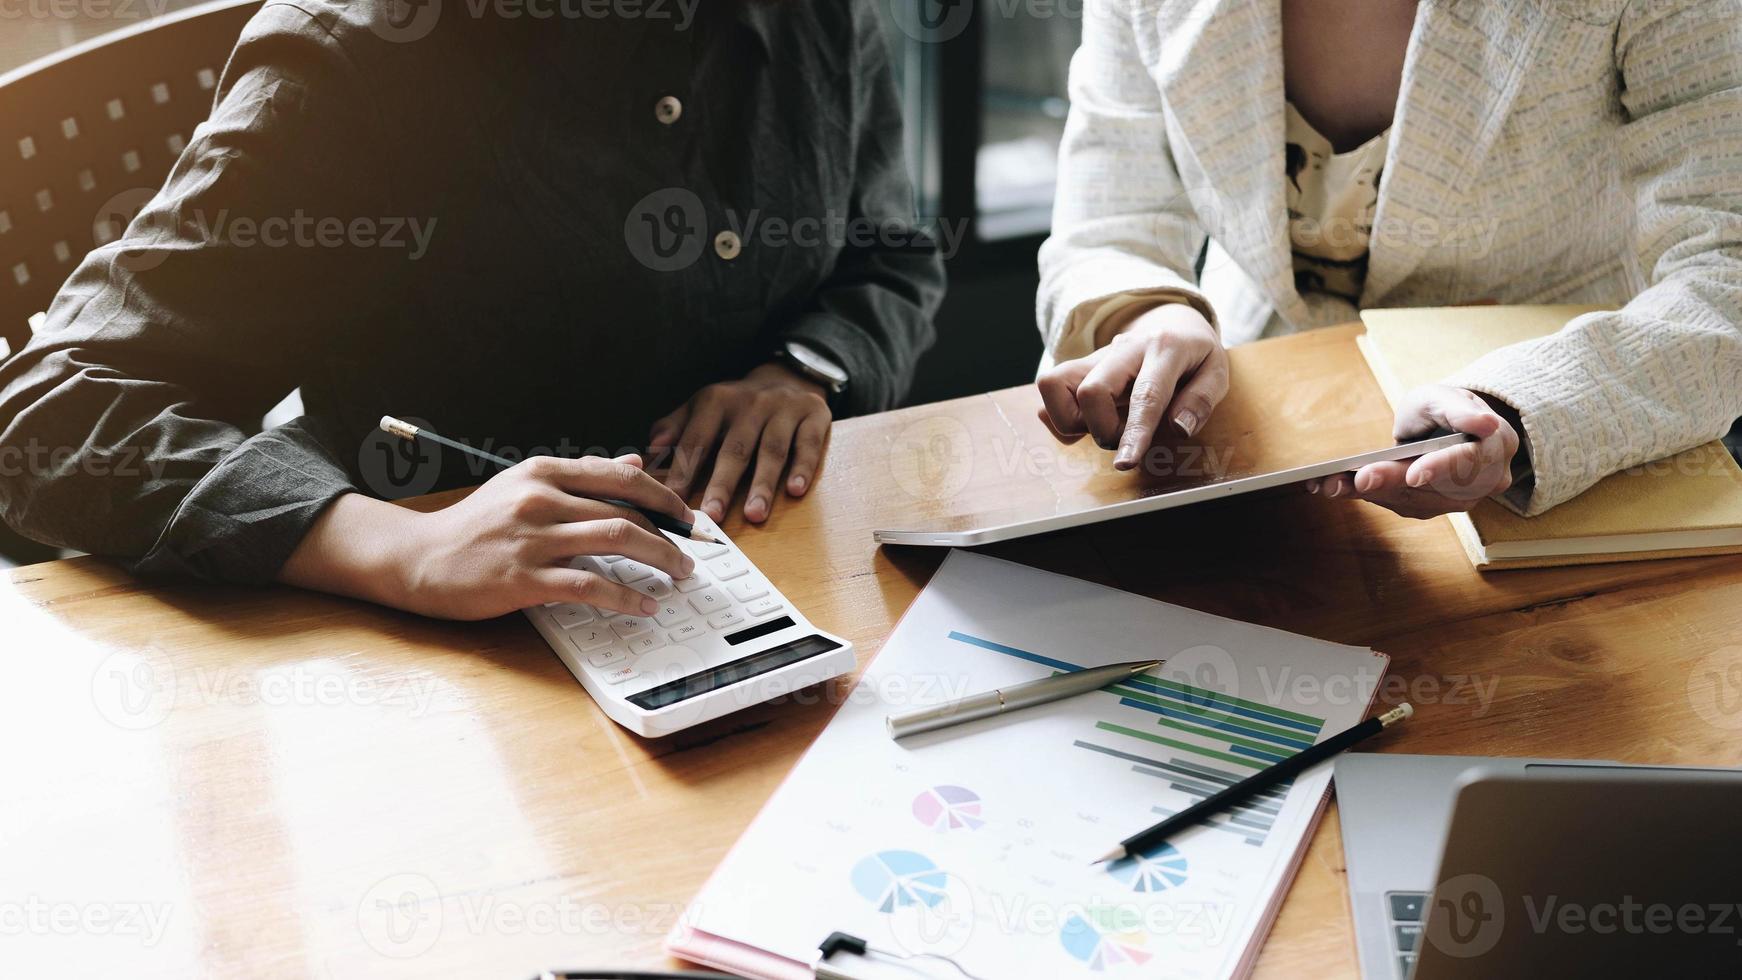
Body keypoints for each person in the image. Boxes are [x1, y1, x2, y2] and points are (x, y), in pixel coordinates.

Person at [0, 0, 941, 620]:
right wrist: (398, 546)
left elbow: (890, 249)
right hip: (466, 675)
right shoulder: (367, 58)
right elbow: (49, 406)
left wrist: (807, 365)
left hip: (777, 602)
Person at [1036, 0, 1741, 519]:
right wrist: (1151, 312)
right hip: (1257, 438)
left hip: (1568, 452)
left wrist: (1522, 414)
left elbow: (1728, 267)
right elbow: (1111, 216)